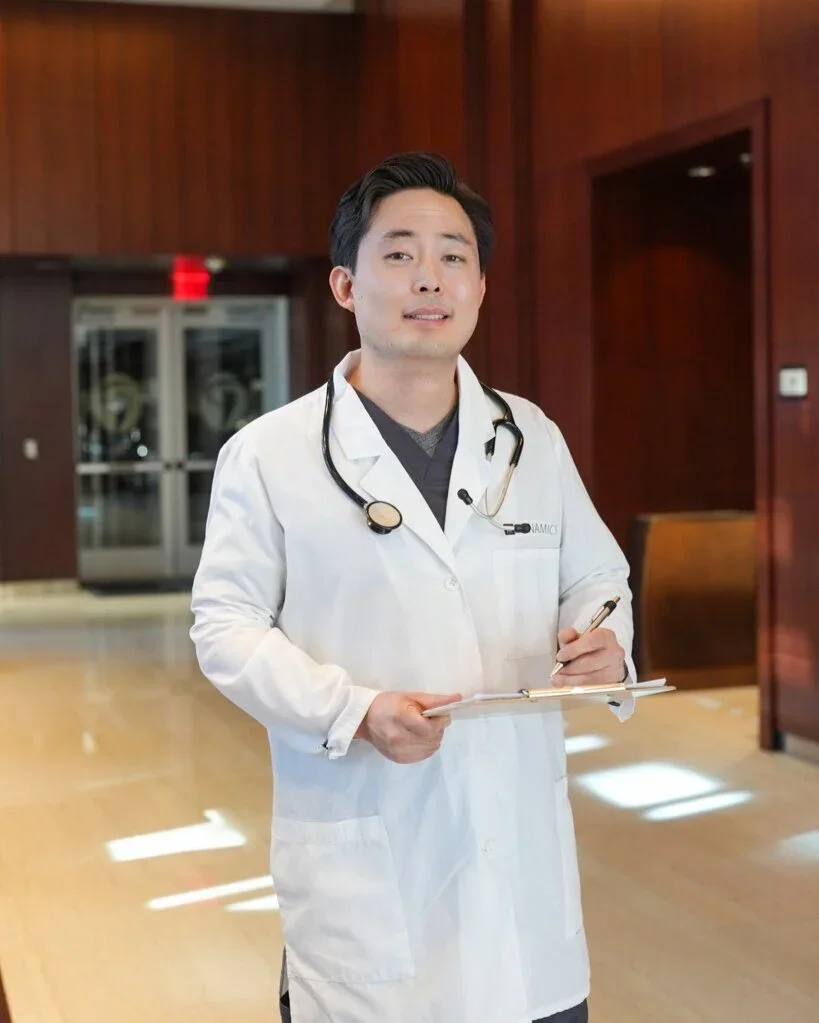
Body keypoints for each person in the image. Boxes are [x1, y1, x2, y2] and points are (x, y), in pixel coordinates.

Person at [190, 151, 637, 1023]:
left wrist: (603, 635)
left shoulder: (529, 438)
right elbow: (225, 626)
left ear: (479, 286)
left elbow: (596, 575)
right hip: (369, 863)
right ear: (346, 285)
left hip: (524, 887)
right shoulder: (271, 453)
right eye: (397, 253)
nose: (429, 277)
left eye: (454, 255)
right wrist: (350, 709)